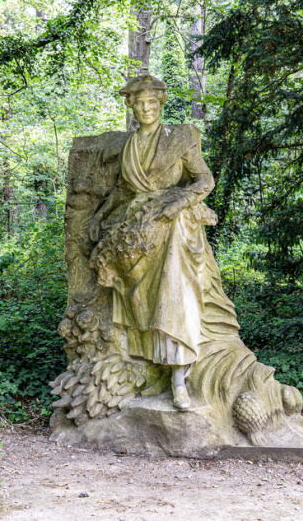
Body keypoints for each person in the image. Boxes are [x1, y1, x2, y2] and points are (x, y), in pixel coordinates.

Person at [88, 74, 226, 410]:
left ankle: (179, 379)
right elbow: (123, 189)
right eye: (139, 103)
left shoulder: (178, 139)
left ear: (161, 103)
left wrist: (178, 203)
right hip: (138, 229)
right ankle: (154, 373)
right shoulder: (130, 146)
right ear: (131, 106)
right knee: (142, 304)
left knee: (172, 294)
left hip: (173, 224)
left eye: (152, 102)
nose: (147, 109)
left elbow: (204, 179)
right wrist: (100, 215)